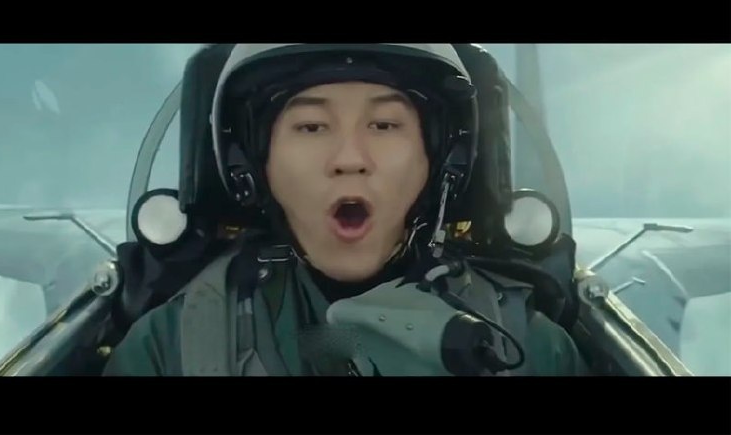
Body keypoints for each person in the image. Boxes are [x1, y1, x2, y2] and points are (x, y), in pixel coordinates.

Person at [103, 44, 588, 376]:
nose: (350, 158)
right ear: (250, 163)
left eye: (384, 124)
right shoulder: (172, 347)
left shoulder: (527, 347)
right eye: (312, 127)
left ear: (442, 161)